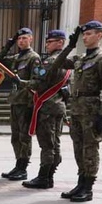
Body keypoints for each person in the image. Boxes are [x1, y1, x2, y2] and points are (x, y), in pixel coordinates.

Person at [49, 21, 102, 202]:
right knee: (78, 147)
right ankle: (80, 182)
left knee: (90, 149)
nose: (85, 37)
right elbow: (56, 64)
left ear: (99, 35)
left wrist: (101, 116)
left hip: (92, 110)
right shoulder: (80, 59)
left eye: (89, 34)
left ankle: (88, 187)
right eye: (84, 35)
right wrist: (70, 46)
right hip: (77, 110)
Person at [21, 29, 70, 190]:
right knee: (55, 143)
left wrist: (22, 82)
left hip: (47, 107)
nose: (47, 45)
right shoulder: (67, 62)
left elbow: (39, 84)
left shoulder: (51, 61)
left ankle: (44, 177)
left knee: (47, 145)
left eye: (50, 42)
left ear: (60, 43)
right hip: (59, 106)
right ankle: (49, 176)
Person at [0, 27, 42, 181]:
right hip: (16, 101)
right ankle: (18, 165)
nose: (21, 41)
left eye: (24, 38)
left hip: (26, 102)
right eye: (19, 39)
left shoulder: (33, 58)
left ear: (31, 39)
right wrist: (8, 44)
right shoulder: (17, 57)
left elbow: (37, 82)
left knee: (24, 136)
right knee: (15, 136)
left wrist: (21, 82)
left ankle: (23, 168)